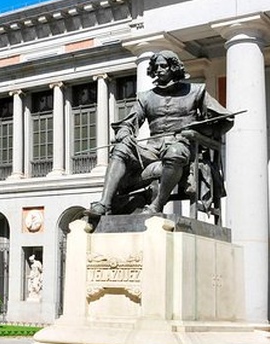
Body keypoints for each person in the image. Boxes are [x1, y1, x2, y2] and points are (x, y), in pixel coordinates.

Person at [85, 50, 234, 222]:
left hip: (183, 146)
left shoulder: (196, 91)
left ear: (174, 67)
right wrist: (125, 133)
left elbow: (226, 119)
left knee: (175, 152)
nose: (159, 70)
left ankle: (157, 204)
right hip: (152, 148)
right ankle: (104, 204)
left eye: (164, 66)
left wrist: (204, 132)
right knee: (121, 148)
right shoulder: (146, 97)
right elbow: (128, 122)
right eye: (156, 67)